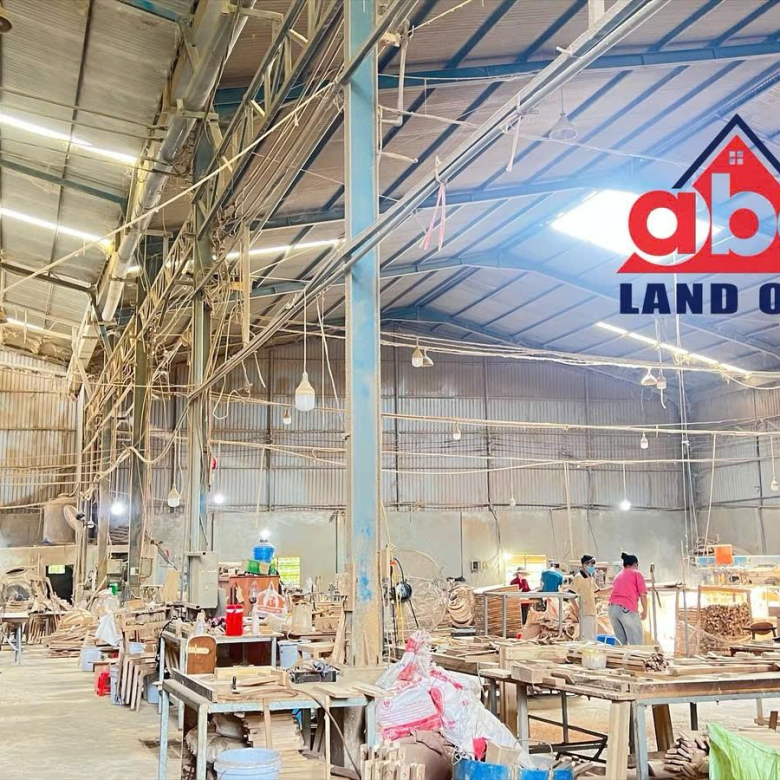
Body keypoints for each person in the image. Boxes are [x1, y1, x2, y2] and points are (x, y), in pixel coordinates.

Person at [608, 552, 648, 645]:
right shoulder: (636, 573)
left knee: (620, 641)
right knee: (636, 640)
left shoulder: (618, 575)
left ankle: (618, 654)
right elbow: (643, 595)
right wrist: (645, 611)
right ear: (635, 564)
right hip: (626, 609)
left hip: (612, 609)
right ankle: (637, 655)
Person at [569, 555, 599, 641]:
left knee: (593, 637)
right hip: (585, 611)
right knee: (587, 638)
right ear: (585, 565)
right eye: (591, 565)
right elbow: (571, 594)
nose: (592, 567)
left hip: (592, 611)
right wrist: (577, 609)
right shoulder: (579, 577)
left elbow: (598, 591)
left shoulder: (590, 578)